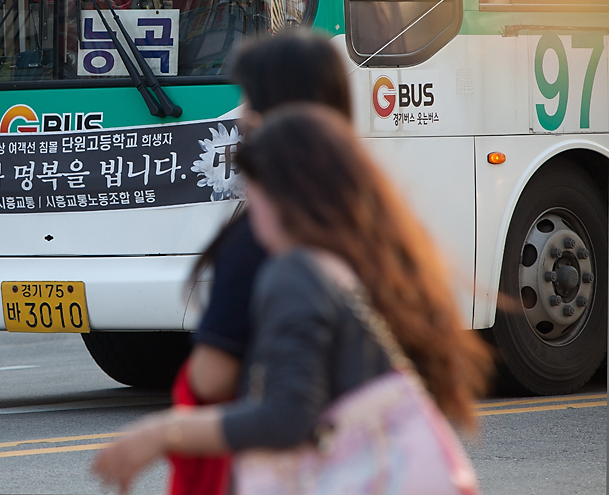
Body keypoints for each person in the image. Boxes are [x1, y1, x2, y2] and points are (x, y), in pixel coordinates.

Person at [93, 105, 492, 493]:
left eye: (252, 187)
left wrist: (163, 432)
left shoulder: (294, 273)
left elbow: (287, 416)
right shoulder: (337, 260)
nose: (249, 205)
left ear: (281, 192)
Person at [167, 31, 353, 495]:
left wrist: (158, 435)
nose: (242, 117)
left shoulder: (264, 238)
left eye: (250, 101)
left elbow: (213, 378)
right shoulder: (369, 216)